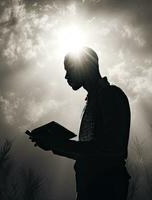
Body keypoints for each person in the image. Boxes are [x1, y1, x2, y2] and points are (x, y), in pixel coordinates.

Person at [30, 47, 131, 200]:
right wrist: (53, 145)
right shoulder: (94, 100)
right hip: (92, 188)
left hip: (105, 187)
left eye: (69, 69)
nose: (66, 76)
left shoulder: (110, 95)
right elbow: (91, 153)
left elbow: (112, 148)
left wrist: (59, 144)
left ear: (85, 66)